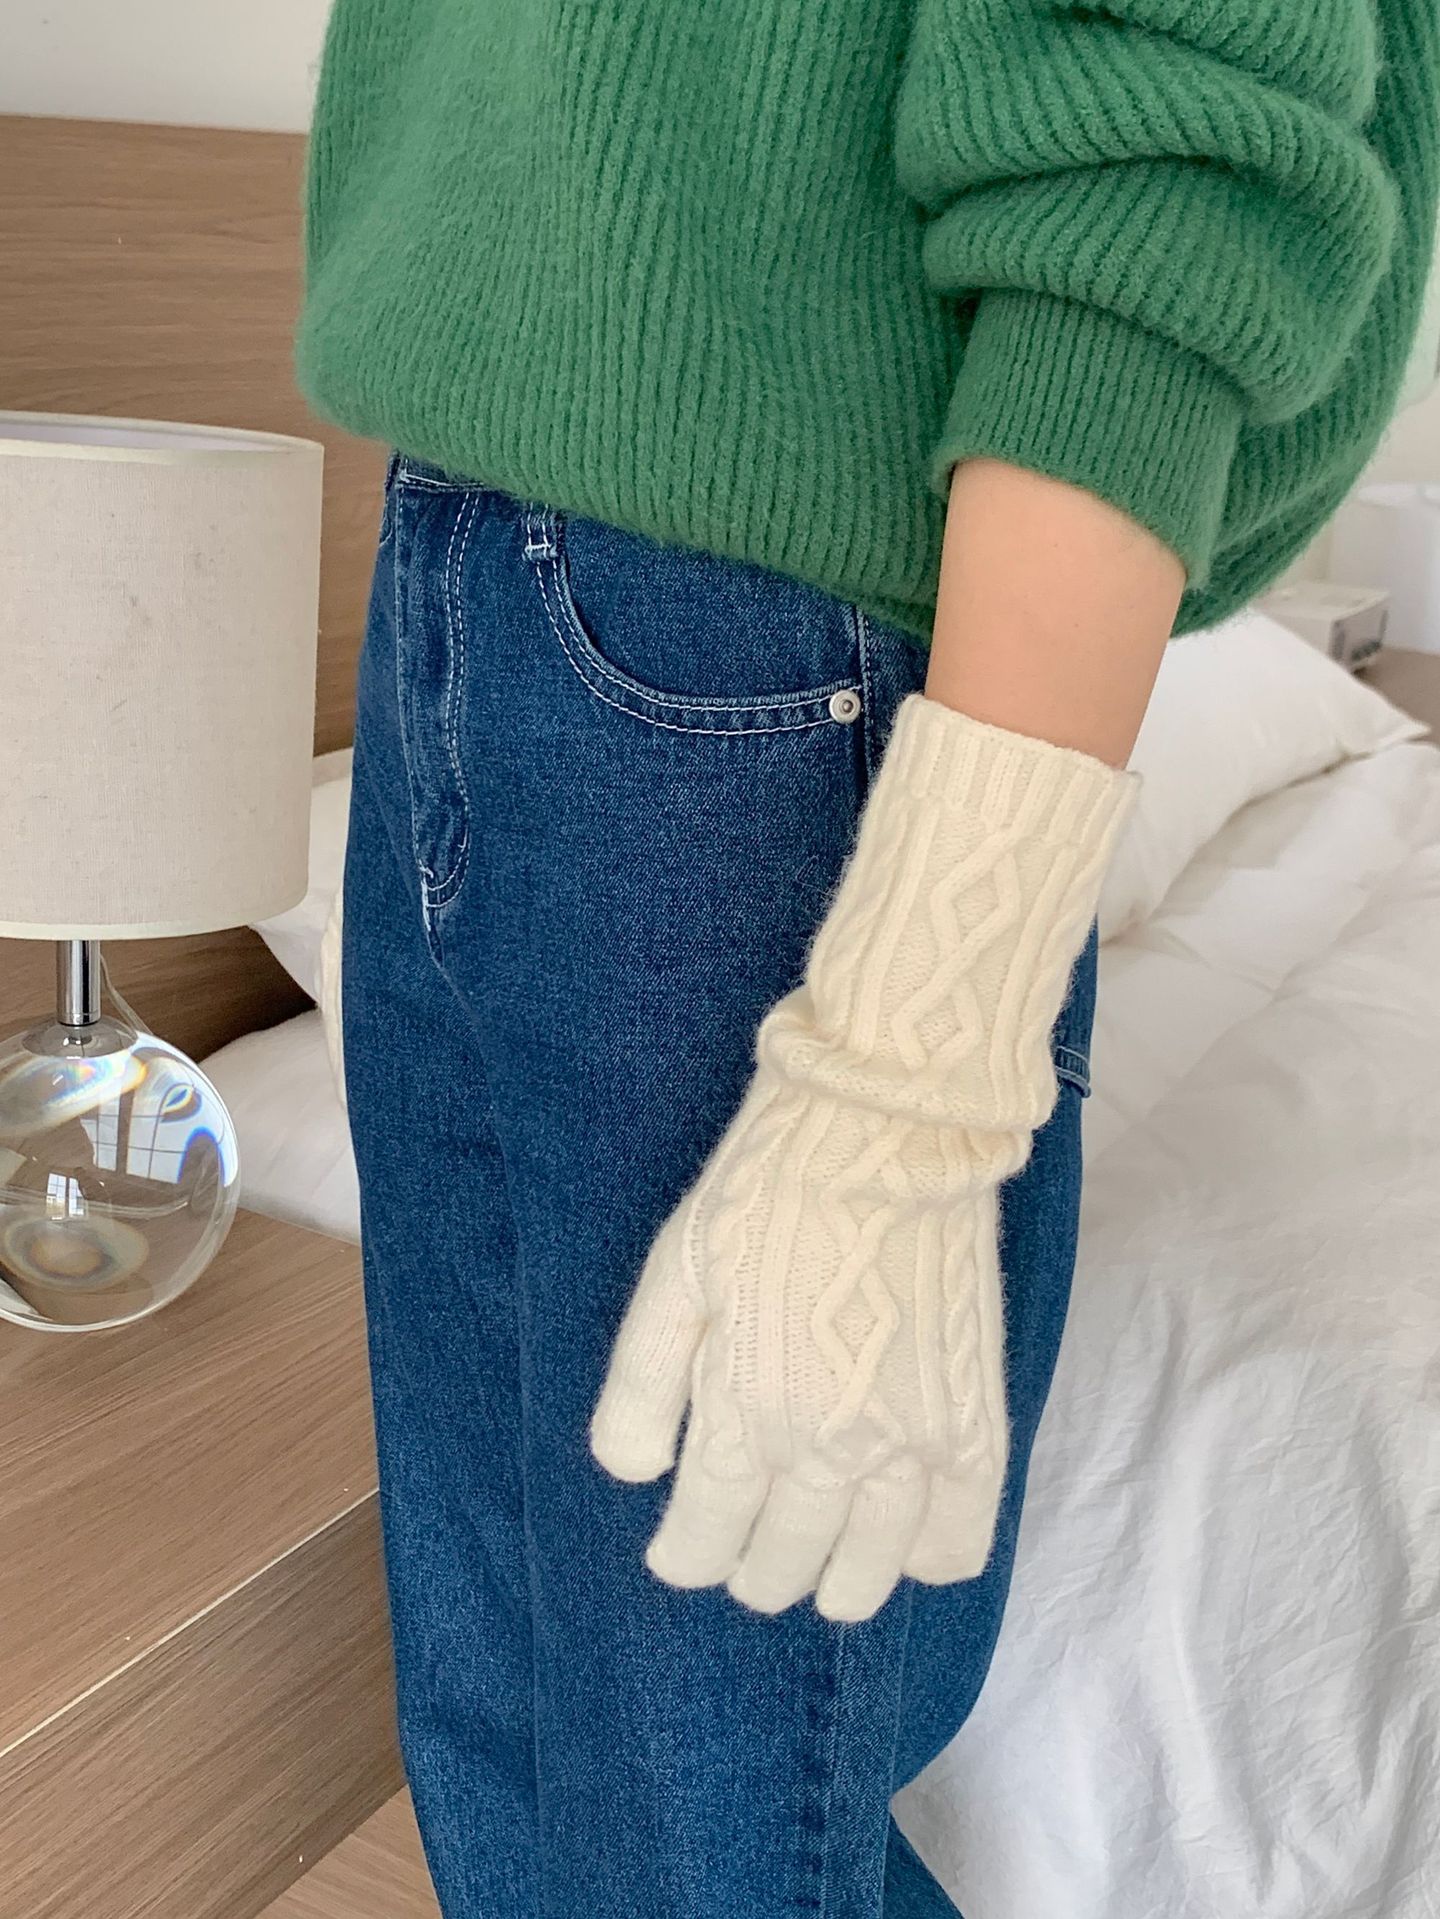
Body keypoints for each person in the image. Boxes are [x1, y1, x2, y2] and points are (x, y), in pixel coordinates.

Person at [295, 2, 1439, 1912]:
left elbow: (1159, 157)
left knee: (698, 1829)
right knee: (527, 1779)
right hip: (467, 549)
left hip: (752, 665)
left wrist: (912, 1066)